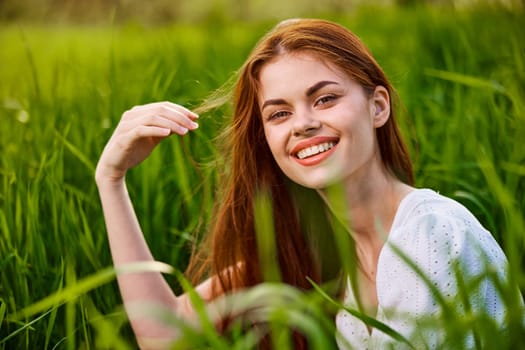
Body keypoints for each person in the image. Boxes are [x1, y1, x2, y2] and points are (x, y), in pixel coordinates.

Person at [95, 18, 514, 349]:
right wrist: (111, 181)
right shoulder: (315, 249)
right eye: (279, 114)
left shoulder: (432, 234)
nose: (304, 124)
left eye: (325, 98)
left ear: (378, 106)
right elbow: (166, 335)